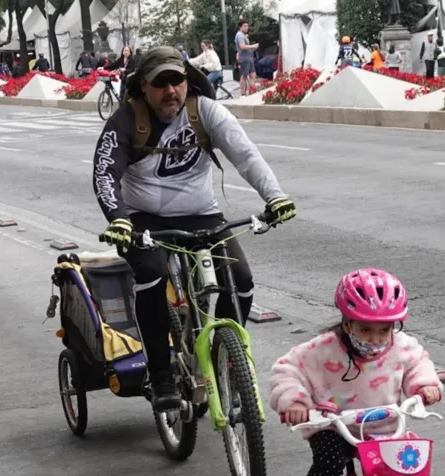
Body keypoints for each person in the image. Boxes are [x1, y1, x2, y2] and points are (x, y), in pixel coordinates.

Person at [93, 46, 296, 410]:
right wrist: (118, 219)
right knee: (152, 276)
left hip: (202, 213)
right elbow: (105, 172)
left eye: (177, 81)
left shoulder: (205, 112)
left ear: (188, 81)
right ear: (143, 87)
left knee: (242, 280)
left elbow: (246, 155)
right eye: (160, 84)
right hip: (142, 218)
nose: (171, 91)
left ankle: (224, 355)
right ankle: (162, 376)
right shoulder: (126, 120)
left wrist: (274, 196)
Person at [269, 268, 443, 476]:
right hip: (332, 424)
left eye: (384, 330)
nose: (375, 339)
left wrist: (424, 387)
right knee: (328, 463)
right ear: (347, 324)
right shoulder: (322, 349)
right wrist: (296, 402)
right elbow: (287, 370)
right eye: (365, 329)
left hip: (382, 425)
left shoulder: (402, 347)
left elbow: (418, 364)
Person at [235, 20, 259, 96]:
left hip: (249, 58)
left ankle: (252, 91)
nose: (246, 27)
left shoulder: (243, 35)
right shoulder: (239, 35)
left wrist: (252, 48)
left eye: (247, 26)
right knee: (244, 76)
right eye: (244, 26)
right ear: (240, 27)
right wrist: (253, 46)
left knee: (253, 75)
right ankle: (242, 93)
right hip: (244, 59)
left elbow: (245, 47)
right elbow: (242, 46)